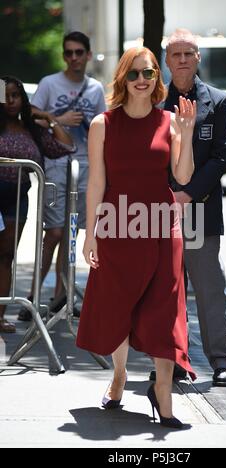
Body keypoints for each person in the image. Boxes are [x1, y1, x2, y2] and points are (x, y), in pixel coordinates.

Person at [76, 47, 197, 429]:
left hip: (162, 228)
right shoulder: (102, 125)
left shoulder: (169, 122)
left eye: (147, 73)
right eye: (133, 74)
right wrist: (91, 233)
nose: (141, 80)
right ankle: (119, 375)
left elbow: (183, 175)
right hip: (116, 227)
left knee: (165, 311)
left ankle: (163, 394)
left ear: (156, 78)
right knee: (117, 307)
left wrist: (188, 133)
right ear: (122, 79)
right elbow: (96, 182)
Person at [162, 29, 226, 387]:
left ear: (198, 59)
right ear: (166, 60)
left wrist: (188, 193)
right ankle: (174, 360)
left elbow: (221, 157)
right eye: (175, 54)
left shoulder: (219, 101)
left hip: (201, 210)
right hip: (160, 213)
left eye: (188, 54)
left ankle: (222, 361)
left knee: (210, 289)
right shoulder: (152, 102)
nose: (181, 60)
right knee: (167, 289)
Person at [18, 31, 106, 321]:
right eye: (68, 53)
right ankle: (32, 296)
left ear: (88, 55)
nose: (74, 58)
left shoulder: (94, 89)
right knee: (54, 232)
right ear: (64, 55)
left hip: (86, 165)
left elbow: (104, 125)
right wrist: (58, 120)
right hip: (56, 163)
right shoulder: (50, 83)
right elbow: (28, 112)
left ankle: (60, 298)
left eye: (79, 52)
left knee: (71, 233)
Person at [0, 76, 75, 334]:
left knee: (7, 256)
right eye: (5, 95)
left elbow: (66, 145)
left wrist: (48, 117)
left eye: (15, 95)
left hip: (18, 199)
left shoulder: (31, 128)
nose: (10, 100)